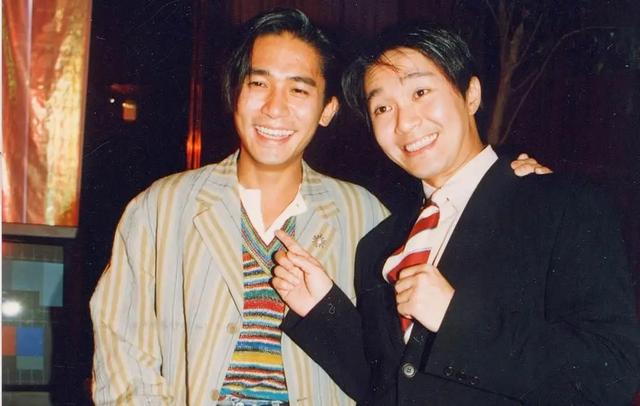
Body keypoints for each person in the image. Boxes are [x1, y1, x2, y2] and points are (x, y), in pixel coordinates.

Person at [90, 9, 547, 405]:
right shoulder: (160, 209)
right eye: (258, 83)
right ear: (234, 93)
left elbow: (394, 366)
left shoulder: (367, 218)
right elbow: (122, 353)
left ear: (328, 110)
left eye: (299, 90)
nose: (274, 108)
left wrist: (504, 180)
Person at [273, 23, 640, 405]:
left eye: (420, 92)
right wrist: (322, 308)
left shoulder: (562, 205)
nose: (404, 122)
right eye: (383, 108)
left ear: (471, 94)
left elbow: (611, 374)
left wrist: (456, 319)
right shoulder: (379, 245)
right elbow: (390, 386)